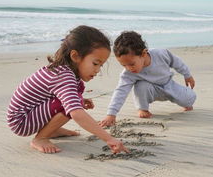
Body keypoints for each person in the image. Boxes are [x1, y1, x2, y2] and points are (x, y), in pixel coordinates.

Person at [7, 25, 128, 154]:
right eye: (95, 63)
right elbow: (76, 113)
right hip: (21, 121)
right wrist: (109, 139)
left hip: (31, 114)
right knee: (74, 104)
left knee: (76, 96)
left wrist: (79, 99)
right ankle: (41, 138)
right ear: (75, 56)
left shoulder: (65, 71)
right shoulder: (63, 76)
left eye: (101, 65)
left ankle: (51, 130)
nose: (98, 70)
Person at [99, 31, 196, 127]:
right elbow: (120, 91)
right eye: (124, 65)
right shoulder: (128, 74)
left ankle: (185, 100)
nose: (128, 68)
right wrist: (111, 114)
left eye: (131, 64)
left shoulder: (160, 54)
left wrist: (187, 75)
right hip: (151, 90)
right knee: (141, 86)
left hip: (169, 85)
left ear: (143, 54)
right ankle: (142, 108)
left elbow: (177, 62)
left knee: (189, 100)